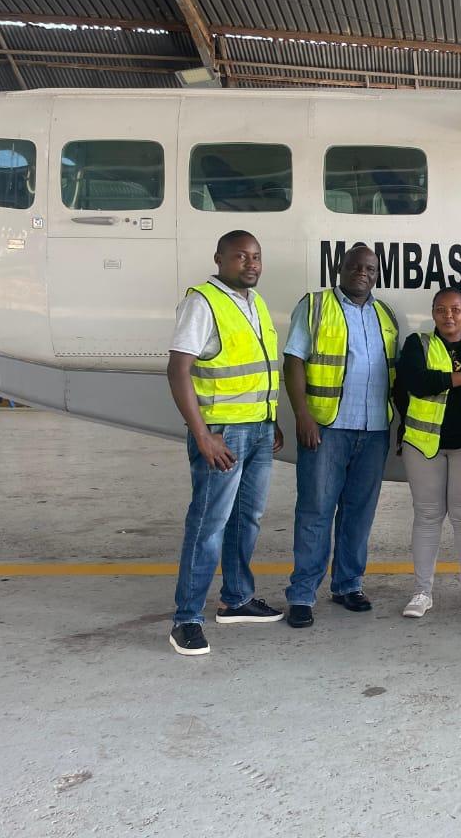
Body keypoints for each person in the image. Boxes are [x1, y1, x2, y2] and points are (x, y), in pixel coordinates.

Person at [166, 230, 284, 656]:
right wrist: (202, 436)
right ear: (219, 258)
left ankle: (236, 598)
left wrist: (271, 420)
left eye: (256, 256)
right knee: (208, 523)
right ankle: (187, 619)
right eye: (241, 256)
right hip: (222, 435)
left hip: (256, 428)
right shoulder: (203, 302)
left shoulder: (255, 302)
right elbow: (179, 370)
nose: (251, 264)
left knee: (245, 519)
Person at [281, 244, 399, 627]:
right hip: (327, 427)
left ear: (377, 274)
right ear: (340, 268)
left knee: (359, 514)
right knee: (316, 510)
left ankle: (347, 584)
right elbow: (294, 361)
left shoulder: (385, 315)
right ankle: (302, 595)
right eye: (354, 266)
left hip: (374, 429)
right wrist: (302, 415)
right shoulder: (315, 306)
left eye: (369, 268)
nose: (362, 273)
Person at [394, 289, 461, 618]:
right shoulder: (418, 344)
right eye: (441, 310)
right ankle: (421, 593)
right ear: (433, 314)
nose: (449, 316)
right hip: (424, 445)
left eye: (456, 310)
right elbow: (416, 382)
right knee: (427, 516)